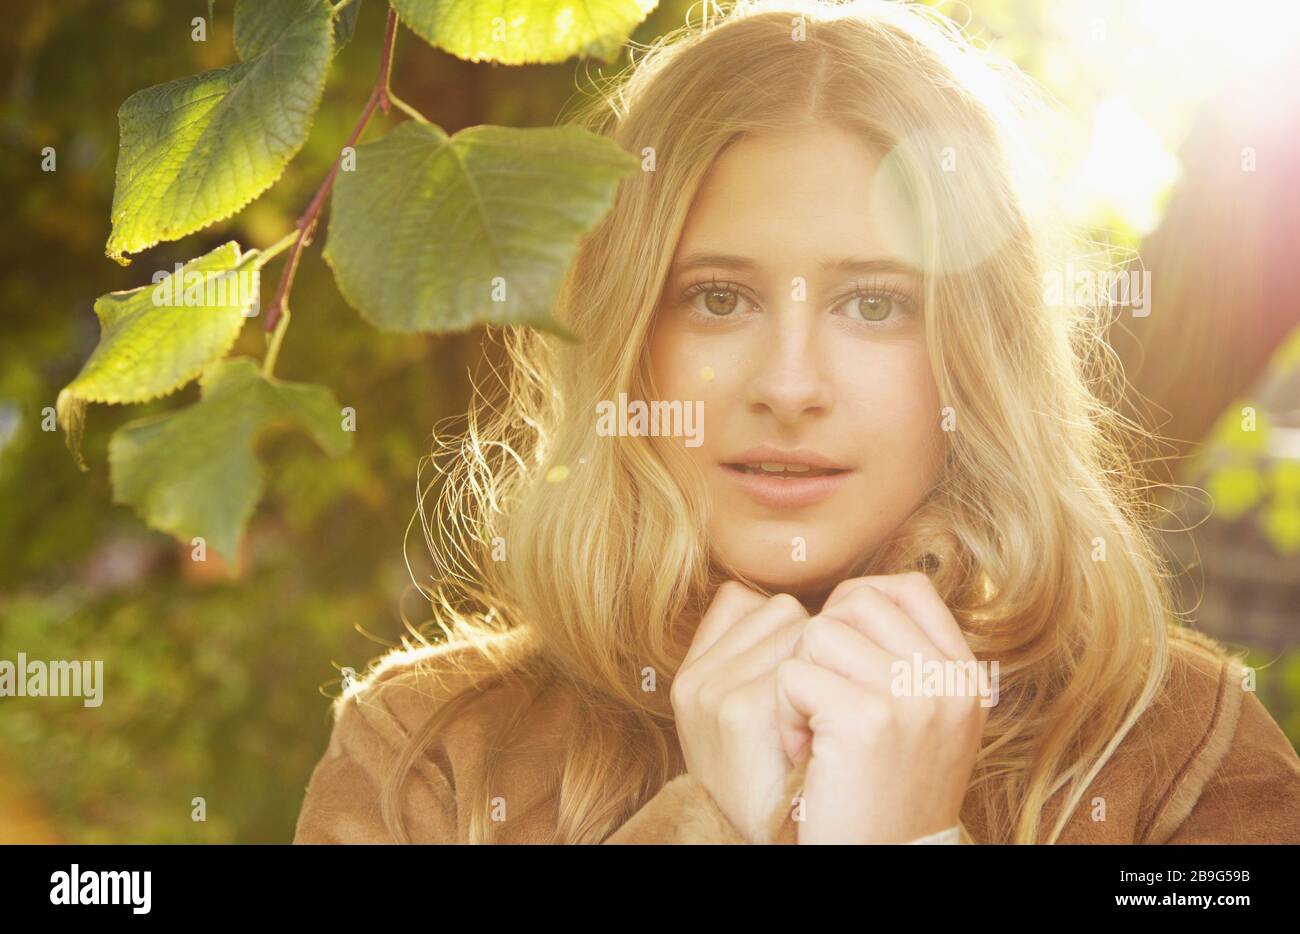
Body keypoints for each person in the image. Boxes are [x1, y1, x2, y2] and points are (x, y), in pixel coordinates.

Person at [293, 0, 1300, 844]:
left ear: (976, 355)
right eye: (718, 298)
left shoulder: (1178, 745)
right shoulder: (424, 754)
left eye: (873, 304)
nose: (788, 384)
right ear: (629, 332)